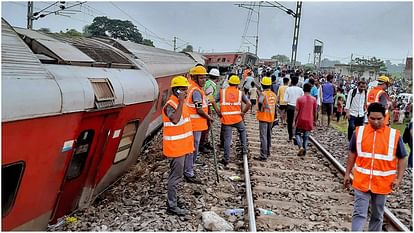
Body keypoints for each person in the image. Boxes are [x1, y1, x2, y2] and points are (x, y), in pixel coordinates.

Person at [343, 103, 408, 231]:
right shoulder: (359, 132)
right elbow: (352, 153)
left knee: (377, 215)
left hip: (382, 184)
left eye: (379, 119)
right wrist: (347, 173)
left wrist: (398, 179)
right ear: (368, 117)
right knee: (359, 213)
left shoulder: (394, 135)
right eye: (373, 119)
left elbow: (402, 157)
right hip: (361, 181)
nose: (376, 122)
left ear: (385, 117)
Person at [162, 76, 194, 216]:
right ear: (176, 91)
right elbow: (175, 120)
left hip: (182, 147)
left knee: (177, 176)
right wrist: (181, 101)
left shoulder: (180, 103)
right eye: (183, 90)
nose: (186, 92)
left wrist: (181, 101)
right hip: (175, 148)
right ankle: (172, 206)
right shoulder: (171, 104)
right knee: (175, 177)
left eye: (186, 90)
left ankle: (173, 201)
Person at [185, 66, 213, 183]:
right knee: (193, 148)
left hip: (193, 124)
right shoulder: (196, 91)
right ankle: (189, 172)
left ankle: (189, 166)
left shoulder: (192, 87)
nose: (204, 80)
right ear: (195, 78)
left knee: (192, 148)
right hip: (195, 125)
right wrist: (209, 118)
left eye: (205, 78)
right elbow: (199, 109)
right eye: (201, 78)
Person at [219, 75, 251, 167]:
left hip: (226, 119)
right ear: (237, 84)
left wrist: (218, 112)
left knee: (227, 140)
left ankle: (226, 159)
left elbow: (213, 101)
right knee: (242, 131)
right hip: (237, 118)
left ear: (229, 83)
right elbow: (248, 103)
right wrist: (243, 112)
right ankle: (244, 150)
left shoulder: (222, 92)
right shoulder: (240, 93)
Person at [199, 68, 221, 154]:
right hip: (208, 109)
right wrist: (215, 110)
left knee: (206, 128)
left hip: (205, 107)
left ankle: (205, 142)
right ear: (217, 78)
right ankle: (203, 145)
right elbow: (209, 98)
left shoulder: (207, 83)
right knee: (207, 128)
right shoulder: (211, 86)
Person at [255, 77, 277, 161]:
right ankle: (267, 152)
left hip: (263, 118)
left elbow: (260, 102)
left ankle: (263, 155)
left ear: (262, 85)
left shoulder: (263, 94)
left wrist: (260, 109)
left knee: (263, 137)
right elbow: (274, 107)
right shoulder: (273, 94)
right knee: (268, 136)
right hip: (270, 118)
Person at [293, 83, 317, 156]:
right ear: (310, 90)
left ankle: (300, 147)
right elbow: (315, 111)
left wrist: (294, 120)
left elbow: (296, 110)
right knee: (306, 137)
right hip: (309, 120)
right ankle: (304, 151)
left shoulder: (299, 99)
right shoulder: (314, 99)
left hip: (301, 120)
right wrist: (315, 120)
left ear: (303, 89)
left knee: (297, 134)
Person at [284, 75, 304, 142]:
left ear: (291, 81)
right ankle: (296, 136)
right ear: (297, 82)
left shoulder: (288, 89)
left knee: (289, 122)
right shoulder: (301, 90)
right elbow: (303, 99)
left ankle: (290, 136)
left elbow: (285, 100)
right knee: (297, 122)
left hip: (290, 107)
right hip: (298, 108)